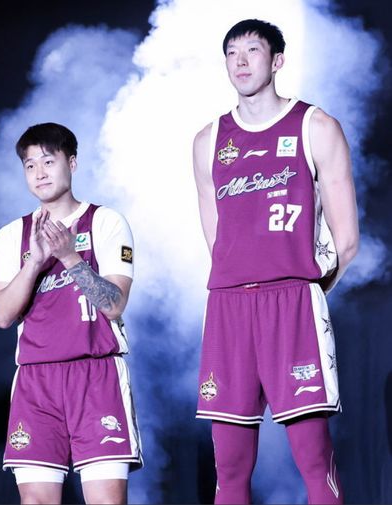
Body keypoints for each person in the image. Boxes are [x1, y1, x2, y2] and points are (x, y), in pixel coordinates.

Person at [192, 19, 359, 504]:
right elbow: (217, 240)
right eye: (232, 53)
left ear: (277, 60)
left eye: (252, 51)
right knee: (229, 467)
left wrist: (306, 292)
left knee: (313, 458)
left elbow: (347, 240)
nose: (240, 62)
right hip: (228, 309)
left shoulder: (316, 126)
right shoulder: (208, 140)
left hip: (293, 304)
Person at [0, 122, 143, 504]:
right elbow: (1, 315)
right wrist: (34, 262)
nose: (39, 172)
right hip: (36, 379)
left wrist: (70, 256)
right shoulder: (12, 235)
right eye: (29, 165)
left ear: (71, 163)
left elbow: (114, 304)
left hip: (97, 375)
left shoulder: (106, 222)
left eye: (48, 161)